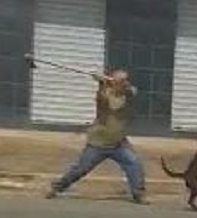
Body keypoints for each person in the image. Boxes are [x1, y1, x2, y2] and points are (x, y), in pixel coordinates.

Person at [46, 69, 147, 204]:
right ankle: (57, 188)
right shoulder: (104, 94)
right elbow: (108, 103)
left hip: (118, 143)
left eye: (124, 80)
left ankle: (138, 194)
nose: (123, 82)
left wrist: (121, 85)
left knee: (134, 164)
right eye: (120, 80)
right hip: (98, 143)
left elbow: (130, 94)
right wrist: (101, 83)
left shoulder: (127, 94)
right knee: (81, 169)